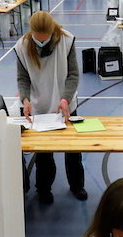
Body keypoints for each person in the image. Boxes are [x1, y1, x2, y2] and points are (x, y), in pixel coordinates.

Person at [14, 10, 85, 203]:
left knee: (73, 152)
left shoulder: (67, 41)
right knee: (43, 155)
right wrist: (26, 100)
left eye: (45, 40)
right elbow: (23, 78)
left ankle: (77, 186)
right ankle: (43, 189)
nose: (41, 43)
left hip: (66, 105)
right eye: (38, 39)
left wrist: (65, 99)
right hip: (40, 108)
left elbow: (73, 75)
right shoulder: (22, 46)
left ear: (53, 32)